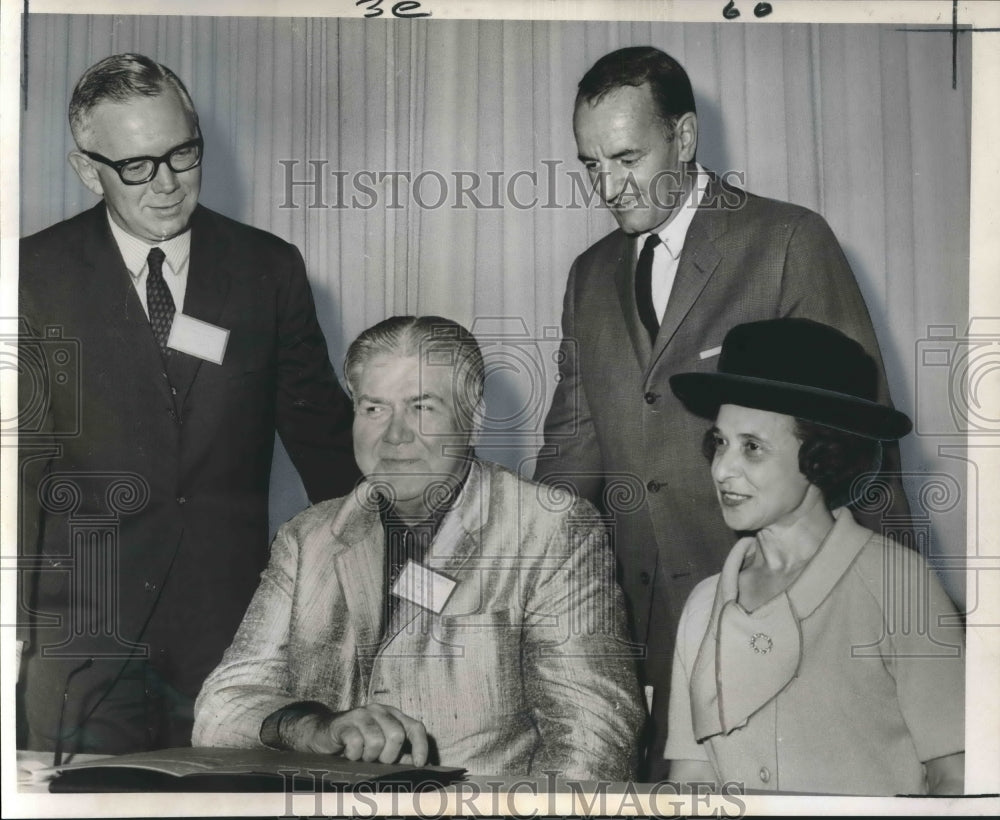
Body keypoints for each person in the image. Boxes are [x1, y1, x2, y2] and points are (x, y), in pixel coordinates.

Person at [533, 45, 912, 774]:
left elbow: (860, 444)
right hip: (636, 637)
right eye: (589, 165)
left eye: (625, 157)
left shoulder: (786, 242)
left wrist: (889, 624)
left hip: (781, 618)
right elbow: (571, 454)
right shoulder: (588, 275)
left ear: (683, 137)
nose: (607, 185)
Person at [17, 53, 360, 755]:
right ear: (89, 169)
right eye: (137, 166)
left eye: (183, 154)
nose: (169, 185)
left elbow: (326, 443)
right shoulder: (29, 278)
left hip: (231, 637)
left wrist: (413, 570)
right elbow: (15, 478)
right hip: (83, 641)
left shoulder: (268, 268)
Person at [193, 316, 644, 779]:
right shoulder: (308, 538)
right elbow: (220, 710)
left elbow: (594, 746)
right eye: (373, 409)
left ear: (474, 418)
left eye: (422, 407)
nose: (394, 435)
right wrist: (314, 726)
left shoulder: (551, 530)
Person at [663, 318, 964, 795]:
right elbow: (691, 782)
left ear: (821, 456)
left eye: (753, 448)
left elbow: (956, 776)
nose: (723, 469)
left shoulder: (896, 586)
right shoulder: (703, 605)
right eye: (719, 442)